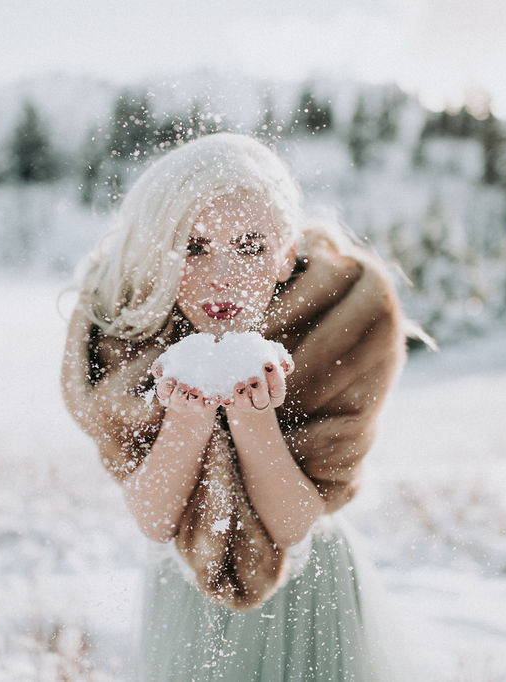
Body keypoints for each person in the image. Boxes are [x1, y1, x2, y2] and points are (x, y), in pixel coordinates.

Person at [62, 133, 410, 680]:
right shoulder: (129, 335)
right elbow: (154, 519)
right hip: (184, 589)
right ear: (161, 252)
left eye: (249, 247)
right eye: (195, 247)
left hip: (307, 590)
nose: (220, 276)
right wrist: (188, 420)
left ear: (284, 254)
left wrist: (253, 418)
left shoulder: (342, 320)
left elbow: (295, 526)